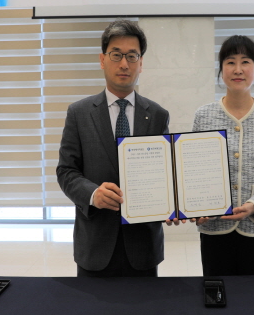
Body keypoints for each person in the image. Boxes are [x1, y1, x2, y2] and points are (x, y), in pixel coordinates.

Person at [56, 19, 170, 277]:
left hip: (143, 247)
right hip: (94, 244)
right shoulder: (79, 113)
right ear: (102, 59)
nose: (124, 64)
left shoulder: (158, 115)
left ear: (141, 63)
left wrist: (174, 205)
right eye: (116, 55)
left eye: (132, 56)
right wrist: (93, 194)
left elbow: (164, 175)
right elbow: (66, 171)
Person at [194, 35, 254, 276]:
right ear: (221, 70)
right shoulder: (204, 116)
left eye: (245, 61)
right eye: (230, 62)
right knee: (218, 294)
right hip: (215, 229)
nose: (238, 69)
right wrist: (195, 207)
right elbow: (193, 172)